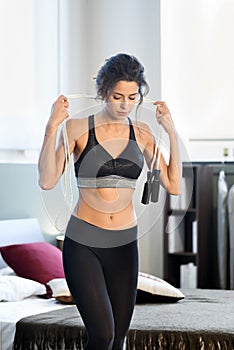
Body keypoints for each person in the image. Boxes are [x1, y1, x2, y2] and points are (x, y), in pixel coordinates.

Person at [38, 53, 181, 350]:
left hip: (124, 245)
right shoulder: (77, 128)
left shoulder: (142, 134)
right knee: (102, 337)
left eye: (132, 97)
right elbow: (47, 180)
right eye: (117, 96)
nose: (125, 104)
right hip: (84, 243)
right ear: (103, 92)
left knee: (118, 341)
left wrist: (171, 131)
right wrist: (51, 128)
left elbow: (173, 185)